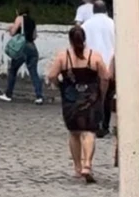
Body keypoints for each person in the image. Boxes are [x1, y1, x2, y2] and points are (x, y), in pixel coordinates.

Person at [46, 26, 111, 183]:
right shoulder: (94, 57)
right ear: (84, 39)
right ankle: (87, 164)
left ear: (70, 40)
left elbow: (52, 75)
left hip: (71, 98)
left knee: (74, 132)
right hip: (91, 97)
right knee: (89, 132)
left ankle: (77, 167)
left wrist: (60, 86)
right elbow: (105, 77)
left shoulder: (63, 57)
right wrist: (101, 93)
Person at [81, 0, 117, 138]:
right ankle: (105, 125)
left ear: (93, 10)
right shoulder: (113, 24)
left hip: (92, 66)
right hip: (110, 66)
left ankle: (93, 124)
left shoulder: (85, 25)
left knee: (92, 96)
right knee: (107, 97)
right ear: (106, 9)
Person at [5, 8, 44, 105]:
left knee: (13, 70)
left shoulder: (19, 18)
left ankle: (8, 94)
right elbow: (34, 36)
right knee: (33, 72)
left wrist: (10, 28)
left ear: (18, 11)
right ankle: (39, 96)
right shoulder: (32, 21)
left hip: (22, 47)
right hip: (32, 47)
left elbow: (13, 32)